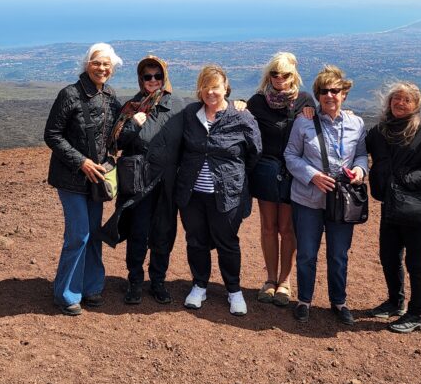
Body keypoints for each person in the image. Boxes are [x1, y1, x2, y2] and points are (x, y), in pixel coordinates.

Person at [151, 64, 261, 316]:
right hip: (192, 194)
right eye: (206, 87)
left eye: (216, 87)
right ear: (199, 90)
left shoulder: (241, 116)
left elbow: (254, 153)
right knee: (196, 241)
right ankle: (199, 285)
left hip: (227, 194)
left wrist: (233, 175)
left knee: (227, 243)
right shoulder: (191, 114)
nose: (211, 92)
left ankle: (234, 291)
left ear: (226, 88)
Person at [364, 82, 421, 333]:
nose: (400, 104)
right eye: (396, 99)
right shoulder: (382, 131)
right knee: (389, 256)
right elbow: (360, 144)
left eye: (406, 100)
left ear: (416, 105)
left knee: (417, 262)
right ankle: (395, 302)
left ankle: (417, 314)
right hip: (391, 206)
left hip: (419, 209)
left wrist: (406, 179)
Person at [284, 65, 369, 325]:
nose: (329, 96)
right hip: (308, 199)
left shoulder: (357, 123)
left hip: (341, 201)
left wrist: (359, 169)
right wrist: (312, 175)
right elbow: (290, 155)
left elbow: (361, 155)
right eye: (324, 91)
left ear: (344, 94)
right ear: (318, 95)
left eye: (335, 91)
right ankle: (304, 300)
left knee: (338, 254)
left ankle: (339, 301)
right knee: (307, 253)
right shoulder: (304, 121)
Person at [43, 43, 123, 316]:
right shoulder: (69, 94)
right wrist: (81, 162)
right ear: (87, 64)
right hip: (71, 178)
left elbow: (116, 132)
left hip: (96, 179)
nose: (102, 68)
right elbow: (52, 135)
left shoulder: (111, 96)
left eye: (107, 64)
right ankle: (66, 294)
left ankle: (92, 288)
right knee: (79, 234)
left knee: (93, 234)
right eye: (97, 63)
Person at [111, 56, 185, 305]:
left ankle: (158, 281)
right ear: (140, 79)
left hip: (166, 181)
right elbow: (116, 143)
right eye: (147, 76)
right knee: (138, 232)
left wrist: (237, 103)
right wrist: (132, 125)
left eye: (157, 76)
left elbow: (200, 124)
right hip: (139, 180)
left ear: (165, 78)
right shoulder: (132, 106)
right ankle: (134, 281)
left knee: (164, 231)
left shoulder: (177, 105)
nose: (153, 81)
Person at [246, 52, 315, 307]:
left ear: (293, 75)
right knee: (268, 227)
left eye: (284, 74)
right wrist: (239, 104)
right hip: (265, 170)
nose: (279, 79)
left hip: (292, 171)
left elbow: (316, 132)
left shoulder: (305, 101)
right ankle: (270, 280)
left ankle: (285, 282)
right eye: (274, 74)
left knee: (287, 229)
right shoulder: (257, 101)